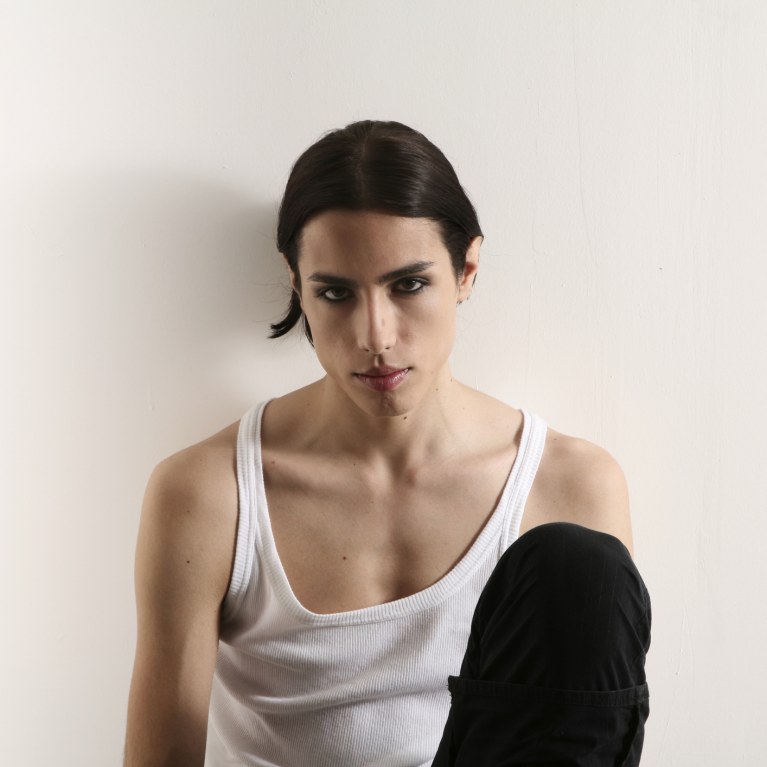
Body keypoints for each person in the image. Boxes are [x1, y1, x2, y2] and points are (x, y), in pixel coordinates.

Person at [124, 120, 651, 767]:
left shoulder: (569, 482)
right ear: (297, 284)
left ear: (466, 269)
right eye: (336, 293)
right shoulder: (210, 493)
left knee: (579, 566)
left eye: (408, 285)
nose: (375, 335)